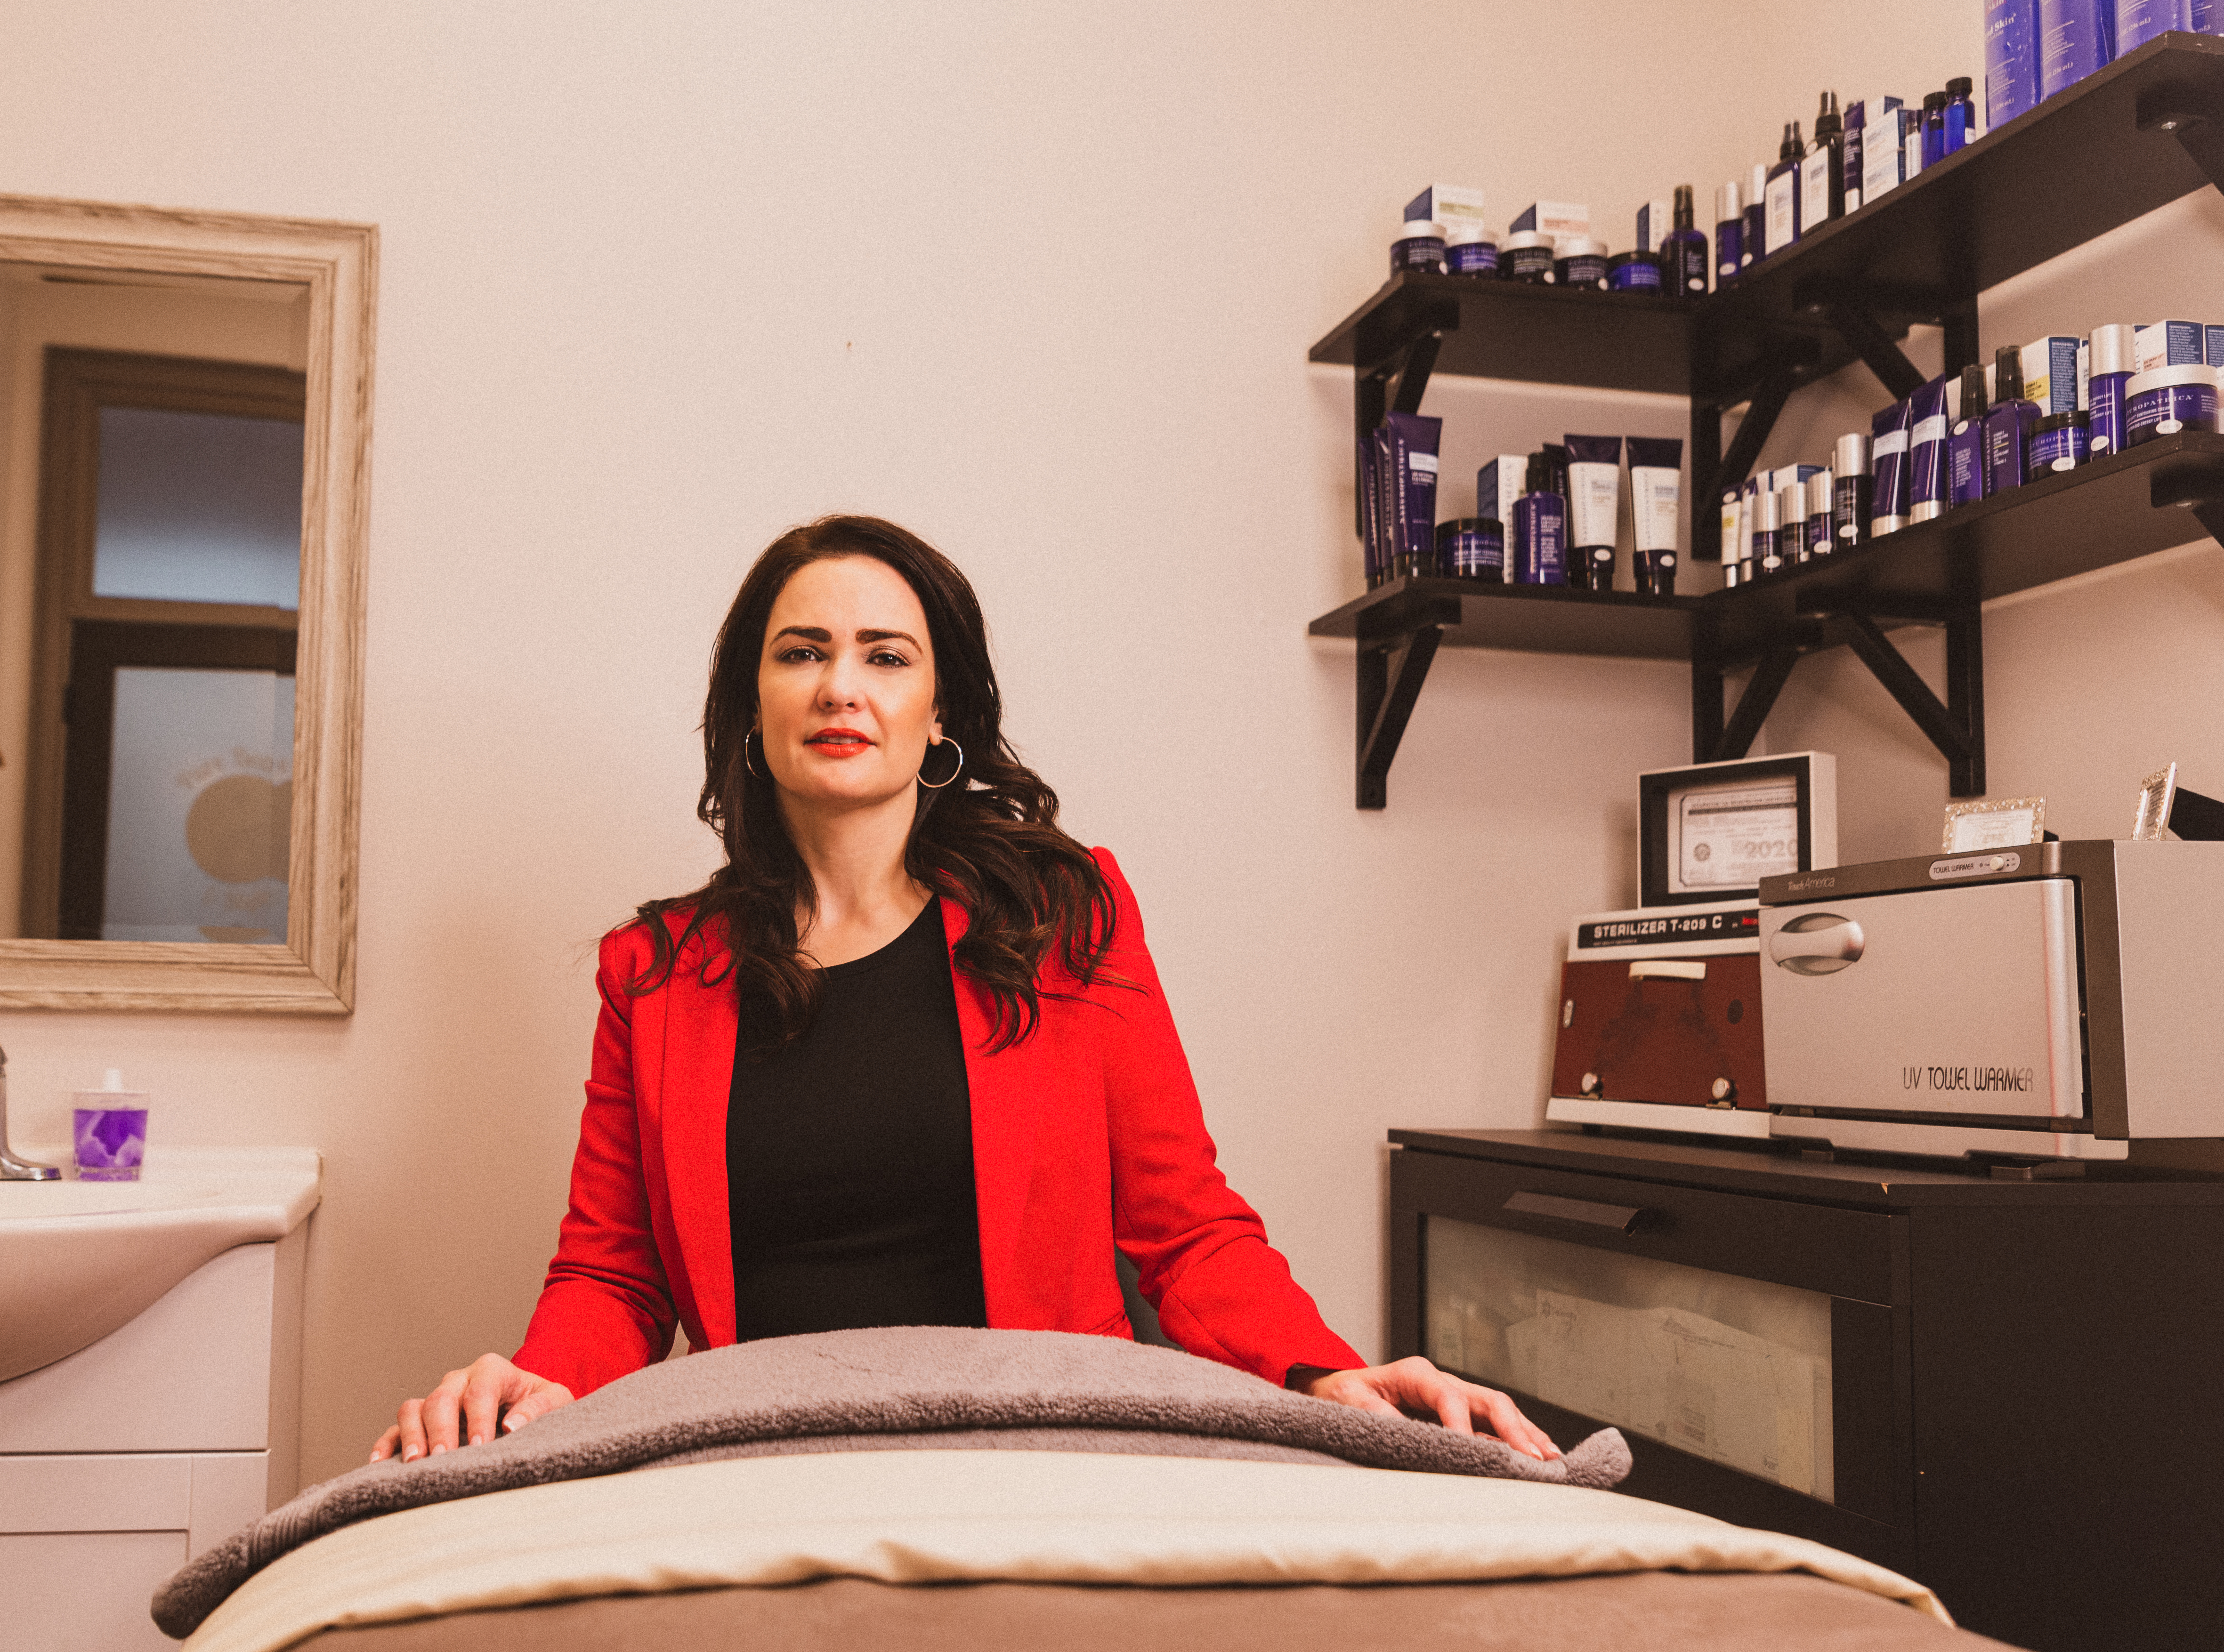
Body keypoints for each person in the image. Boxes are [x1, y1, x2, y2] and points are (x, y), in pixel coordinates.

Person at [375, 515, 1556, 1464]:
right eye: (801, 652)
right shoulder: (655, 972)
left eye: (885, 656)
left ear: (936, 711)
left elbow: (1183, 1227)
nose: (841, 686)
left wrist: (1326, 1369)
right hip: (757, 1464)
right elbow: (613, 1273)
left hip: (1039, 1454)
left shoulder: (1063, 914)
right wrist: (534, 1387)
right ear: (751, 706)